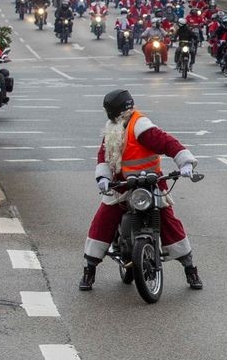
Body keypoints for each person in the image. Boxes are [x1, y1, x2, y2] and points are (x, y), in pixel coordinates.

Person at [80, 89, 202, 291]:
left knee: (168, 220)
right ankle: (89, 270)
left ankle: (190, 268)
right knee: (103, 220)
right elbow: (104, 155)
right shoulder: (113, 128)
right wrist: (103, 177)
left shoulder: (140, 125)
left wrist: (185, 162)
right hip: (122, 186)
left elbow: (165, 142)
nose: (109, 114)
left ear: (118, 109)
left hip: (150, 184)